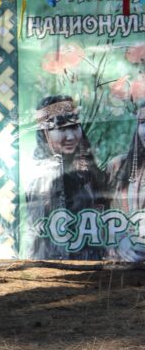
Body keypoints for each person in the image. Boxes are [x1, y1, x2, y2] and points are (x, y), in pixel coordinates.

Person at [24, 95, 105, 260]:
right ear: (45, 133)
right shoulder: (41, 176)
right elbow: (39, 234)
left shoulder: (86, 171)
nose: (71, 136)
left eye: (74, 126)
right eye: (61, 129)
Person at [105, 100, 145, 261]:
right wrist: (120, 241)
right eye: (143, 123)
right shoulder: (117, 166)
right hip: (121, 263)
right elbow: (101, 216)